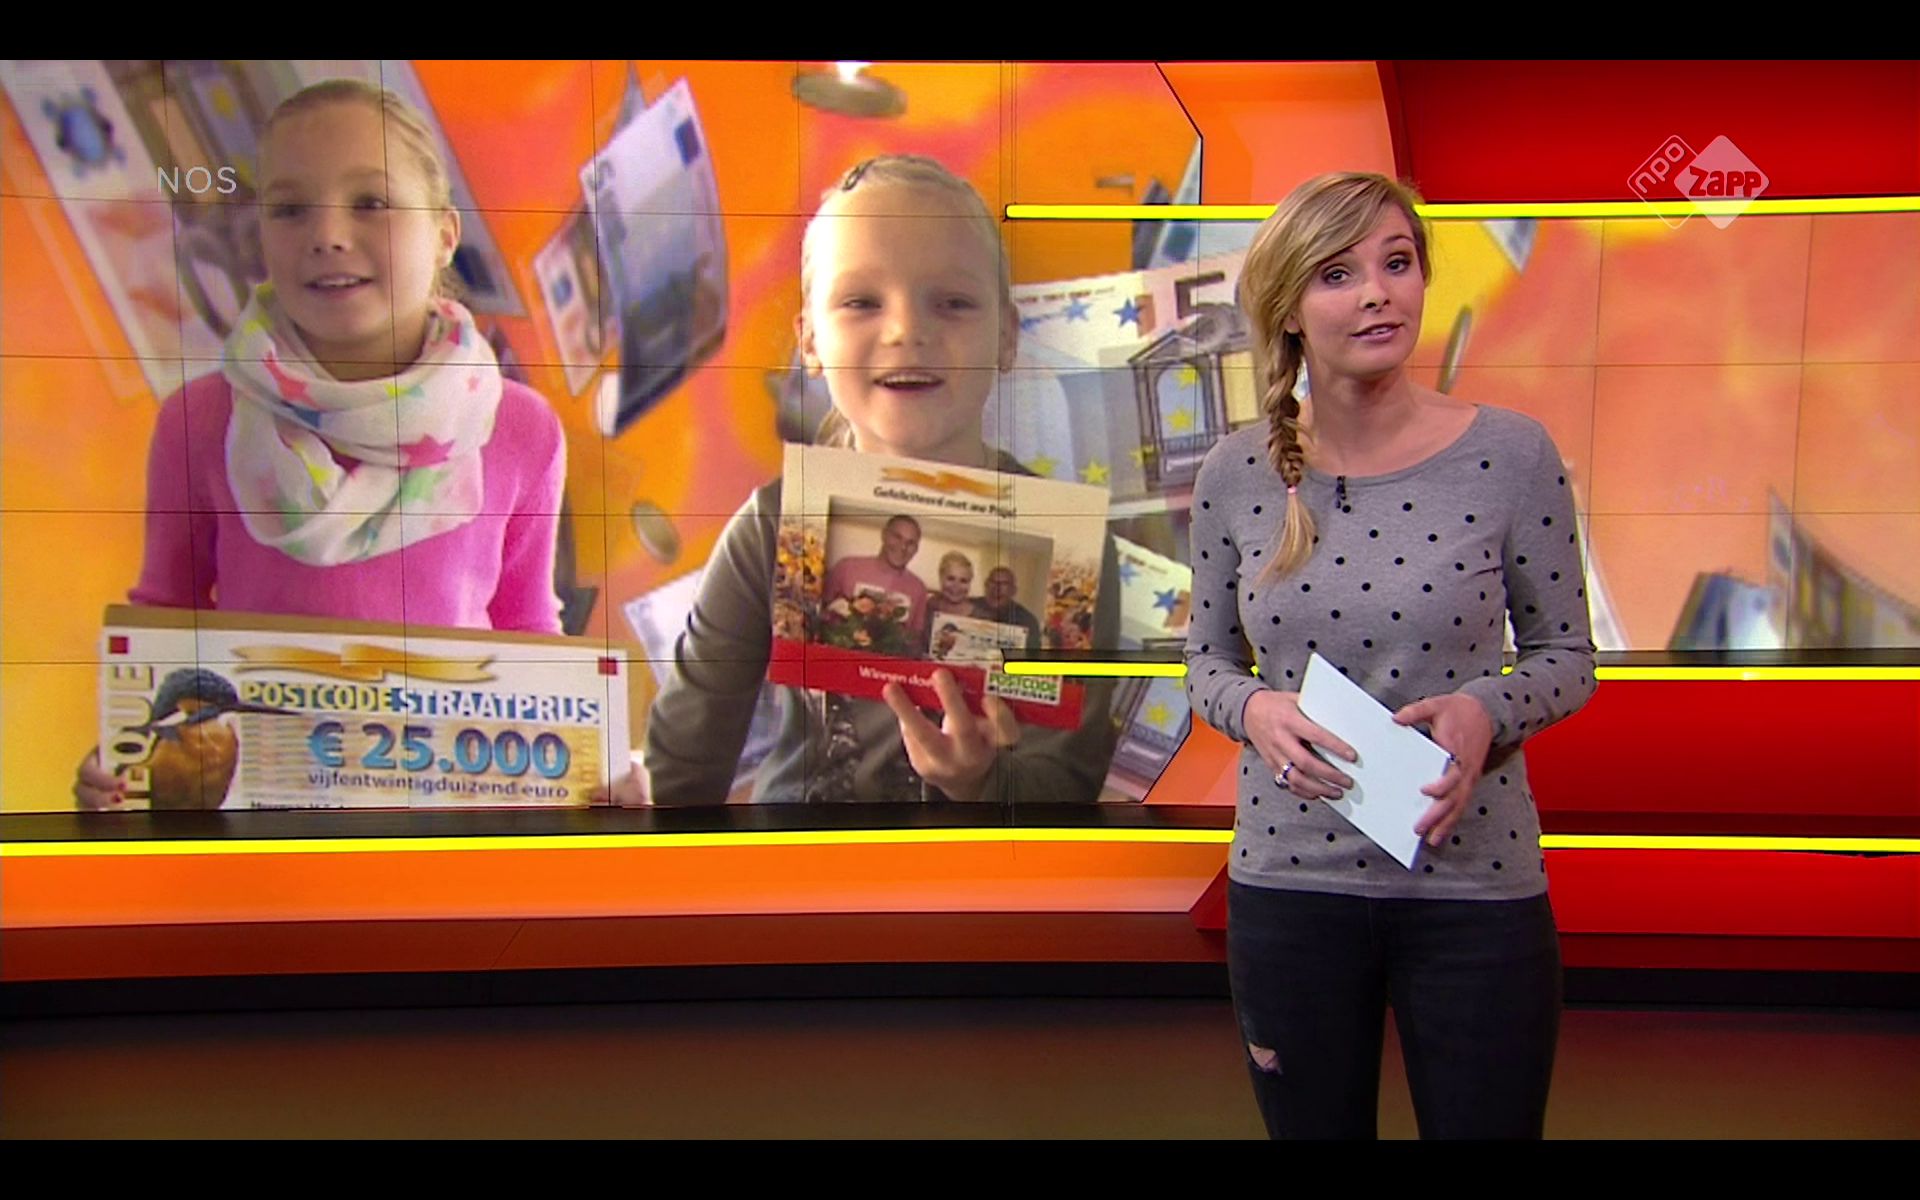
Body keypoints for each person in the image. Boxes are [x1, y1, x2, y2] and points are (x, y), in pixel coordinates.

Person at [1183, 171, 1596, 1139]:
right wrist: (1254, 710)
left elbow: (1567, 653)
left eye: (1397, 263)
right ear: (1288, 308)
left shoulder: (1512, 456)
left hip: (1476, 887)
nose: (1378, 293)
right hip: (1288, 889)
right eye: (1338, 274)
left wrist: (1488, 709)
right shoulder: (1235, 473)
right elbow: (1205, 662)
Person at [74, 80, 565, 810]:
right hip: (260, 835)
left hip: (450, 831)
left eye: (370, 202)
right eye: (290, 208)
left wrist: (593, 776)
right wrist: (120, 766)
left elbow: (530, 634)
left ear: (444, 233)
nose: (327, 234)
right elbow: (164, 628)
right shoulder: (198, 422)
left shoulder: (523, 429)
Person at [640, 155, 1119, 806]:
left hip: (978, 869)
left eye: (953, 303)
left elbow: (1066, 786)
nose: (906, 330)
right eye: (862, 302)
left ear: (1007, 337)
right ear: (810, 341)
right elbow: (678, 777)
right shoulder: (773, 527)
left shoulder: (1069, 550)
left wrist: (980, 782)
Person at [821, 514, 931, 637]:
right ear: (884, 535)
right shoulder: (846, 567)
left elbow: (915, 638)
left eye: (910, 543)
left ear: (916, 549)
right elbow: (819, 613)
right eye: (897, 537)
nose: (903, 547)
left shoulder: (918, 589)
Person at [969, 565, 1042, 653]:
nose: (997, 588)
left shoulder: (1027, 620)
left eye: (1004, 584)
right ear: (986, 585)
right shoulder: (968, 606)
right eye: (993, 582)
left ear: (1013, 591)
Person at [927, 550, 978, 619]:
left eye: (963, 581)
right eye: (951, 579)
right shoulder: (927, 607)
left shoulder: (982, 618)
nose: (956, 586)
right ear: (941, 578)